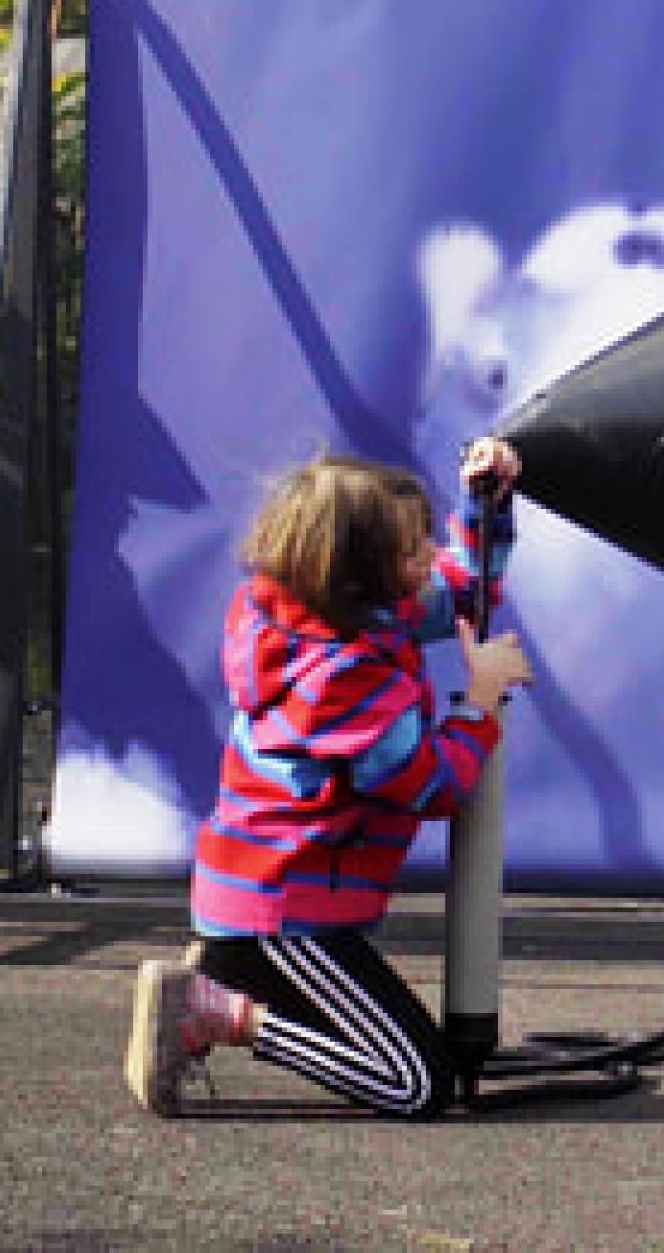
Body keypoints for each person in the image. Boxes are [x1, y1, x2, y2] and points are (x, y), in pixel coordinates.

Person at [123, 439, 532, 1119]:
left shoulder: (315, 614)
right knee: (416, 1084)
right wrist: (478, 703)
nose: (429, 559)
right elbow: (430, 786)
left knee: (415, 1066)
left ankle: (224, 976)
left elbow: (464, 591)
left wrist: (483, 504)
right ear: (357, 574)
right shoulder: (340, 678)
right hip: (285, 917)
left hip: (274, 905)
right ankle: (215, 1012)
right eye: (413, 551)